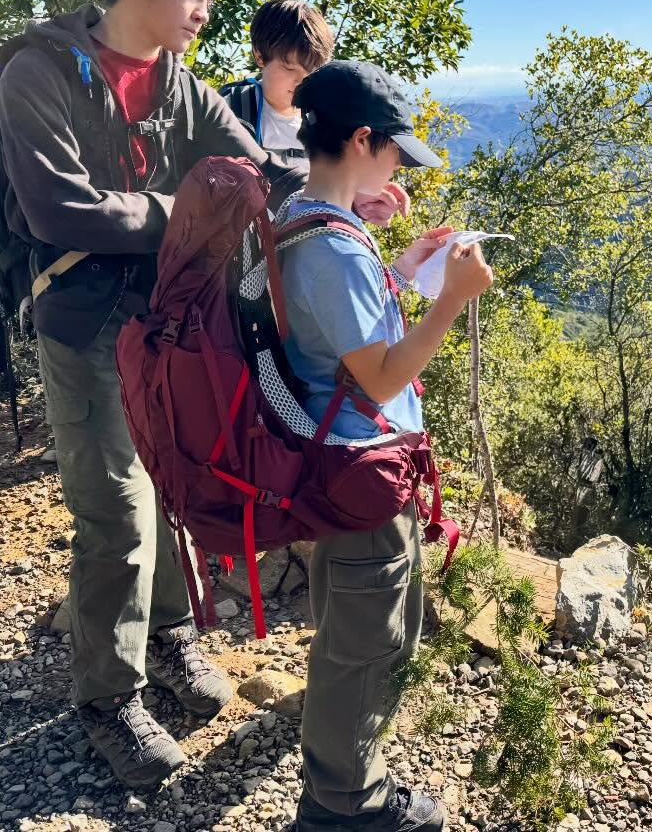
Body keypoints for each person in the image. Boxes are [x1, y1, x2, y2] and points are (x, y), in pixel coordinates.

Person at [0, 0, 308, 787]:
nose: (204, 11)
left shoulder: (179, 83)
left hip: (169, 327)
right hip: (87, 322)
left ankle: (170, 637)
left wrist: (340, 188)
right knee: (118, 517)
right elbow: (58, 210)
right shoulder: (41, 73)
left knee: (174, 482)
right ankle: (109, 701)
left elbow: (259, 169)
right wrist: (187, 212)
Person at [279, 61, 493, 832]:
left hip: (338, 460)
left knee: (359, 630)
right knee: (367, 642)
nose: (400, 164)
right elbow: (379, 376)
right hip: (358, 467)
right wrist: (452, 300)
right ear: (362, 139)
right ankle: (344, 805)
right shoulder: (333, 249)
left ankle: (344, 783)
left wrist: (400, 269)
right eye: (396, 150)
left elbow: (341, 332)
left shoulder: (304, 216)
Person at [221, 0, 335, 168]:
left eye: (312, 72)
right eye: (289, 68)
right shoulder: (229, 109)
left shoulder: (327, 123)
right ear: (259, 56)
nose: (302, 81)